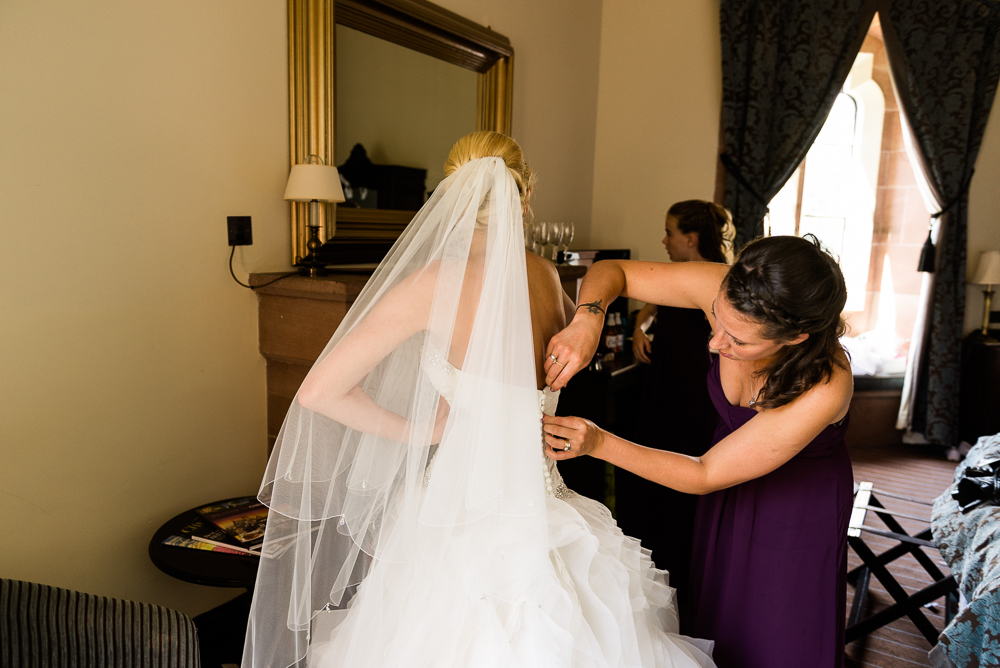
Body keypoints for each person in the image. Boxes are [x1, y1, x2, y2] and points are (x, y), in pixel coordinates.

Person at [242, 131, 716, 668]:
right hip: (545, 502)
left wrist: (422, 431)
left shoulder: (431, 285)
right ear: (525, 197)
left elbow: (319, 391)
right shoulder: (546, 275)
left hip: (458, 509)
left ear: (451, 195)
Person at [542, 235, 853, 668]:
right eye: (716, 322)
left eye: (739, 342)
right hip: (727, 493)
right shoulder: (730, 287)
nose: (715, 344)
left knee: (778, 635)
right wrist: (588, 319)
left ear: (796, 338)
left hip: (795, 507)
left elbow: (706, 472)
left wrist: (598, 442)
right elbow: (612, 271)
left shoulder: (825, 383)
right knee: (720, 624)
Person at [621, 200, 731, 630]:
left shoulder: (720, 278)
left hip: (689, 399)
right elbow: (656, 301)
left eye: (669, 233)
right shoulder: (685, 276)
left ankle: (674, 577)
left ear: (690, 238)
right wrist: (639, 324)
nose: (663, 241)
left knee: (674, 484)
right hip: (665, 392)